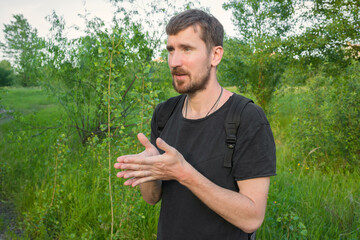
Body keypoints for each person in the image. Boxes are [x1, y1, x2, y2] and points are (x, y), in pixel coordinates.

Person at [114, 9, 276, 240]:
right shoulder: (165, 113)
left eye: (187, 49)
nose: (174, 62)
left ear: (215, 55)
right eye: (171, 50)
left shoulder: (247, 118)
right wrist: (149, 171)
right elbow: (151, 198)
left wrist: (183, 173)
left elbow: (251, 218)